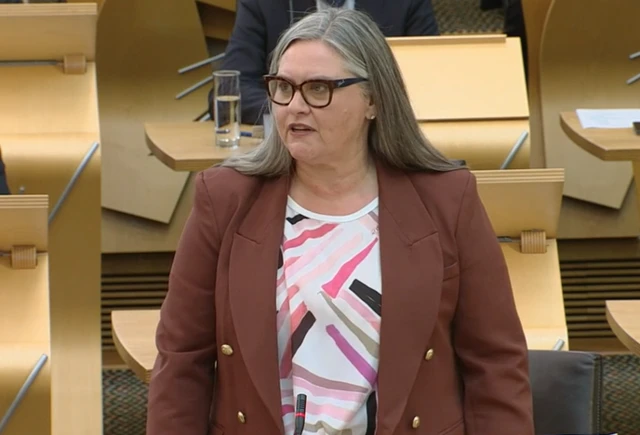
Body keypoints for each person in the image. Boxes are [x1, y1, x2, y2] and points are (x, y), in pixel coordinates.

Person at [147, 8, 534, 435]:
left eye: (318, 89)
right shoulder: (223, 199)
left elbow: (495, 363)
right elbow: (181, 362)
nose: (295, 106)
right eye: (283, 88)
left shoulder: (446, 200)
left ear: (373, 99)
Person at [209, 0, 440, 126]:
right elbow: (229, 91)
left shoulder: (406, 3)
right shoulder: (263, 3)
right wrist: (299, 107)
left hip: (384, 149)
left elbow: (435, 86)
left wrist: (351, 111)